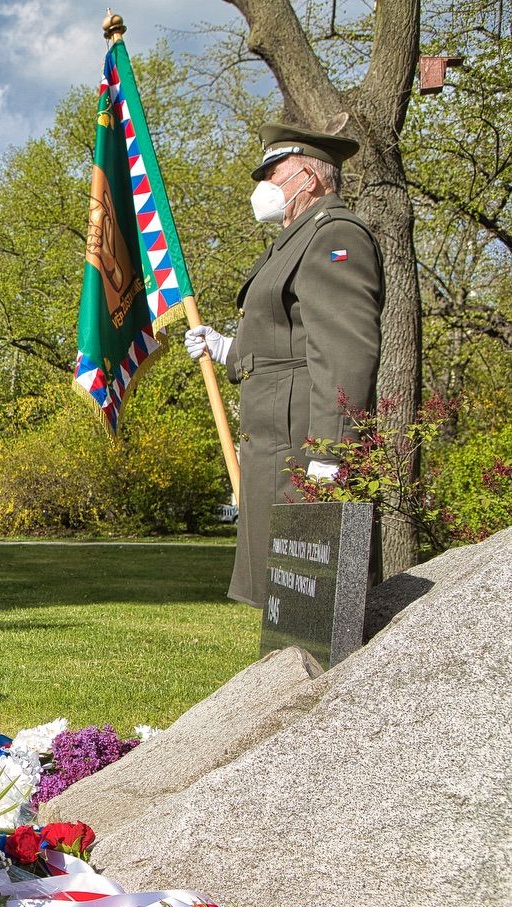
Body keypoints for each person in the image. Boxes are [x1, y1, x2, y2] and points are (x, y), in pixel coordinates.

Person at [184, 122, 382, 608]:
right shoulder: (293, 240)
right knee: (284, 597)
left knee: (313, 601)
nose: (263, 186)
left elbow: (344, 349)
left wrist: (331, 451)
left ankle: (322, 685)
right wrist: (230, 350)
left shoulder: (335, 234)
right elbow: (285, 338)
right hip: (274, 442)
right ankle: (296, 683)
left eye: (274, 172)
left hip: (303, 445)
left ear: (309, 179)